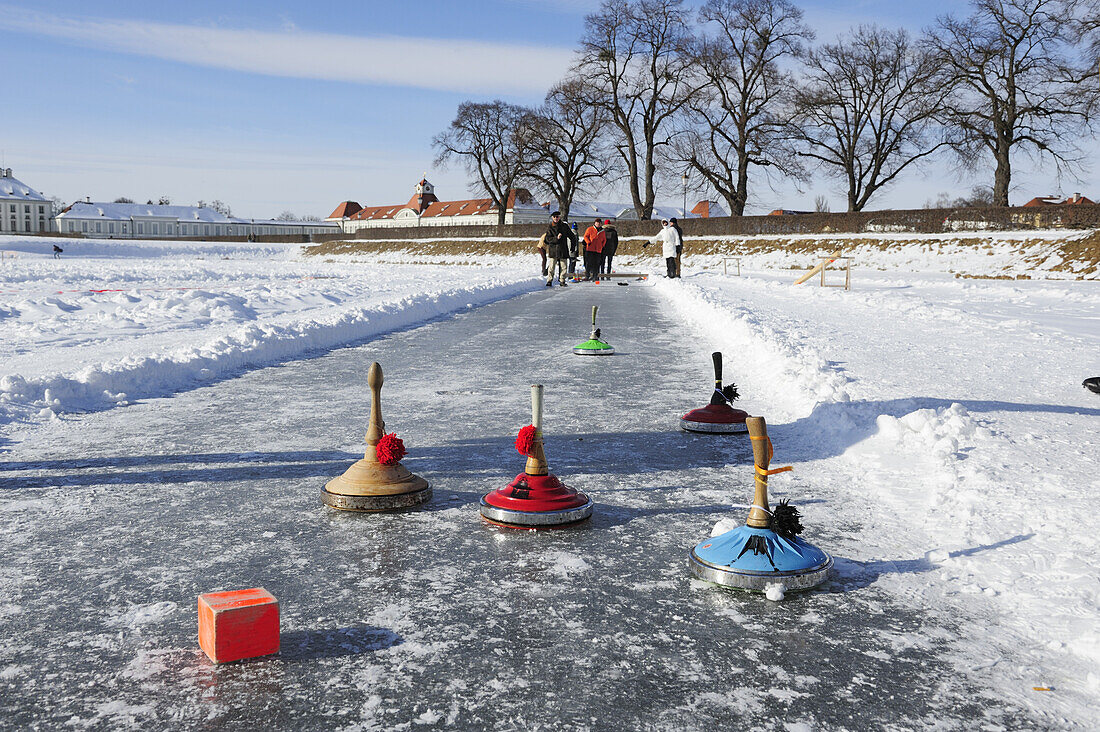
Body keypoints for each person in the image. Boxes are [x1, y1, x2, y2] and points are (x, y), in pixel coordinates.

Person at [544, 211, 575, 287]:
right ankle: (549, 280)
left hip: (562, 249)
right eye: (554, 217)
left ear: (559, 217)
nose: (556, 218)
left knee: (564, 266)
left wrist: (573, 247)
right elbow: (547, 239)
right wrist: (556, 238)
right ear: (552, 218)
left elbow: (572, 236)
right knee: (551, 267)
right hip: (553, 250)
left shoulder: (564, 226)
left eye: (557, 217)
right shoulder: (550, 227)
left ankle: (562, 280)